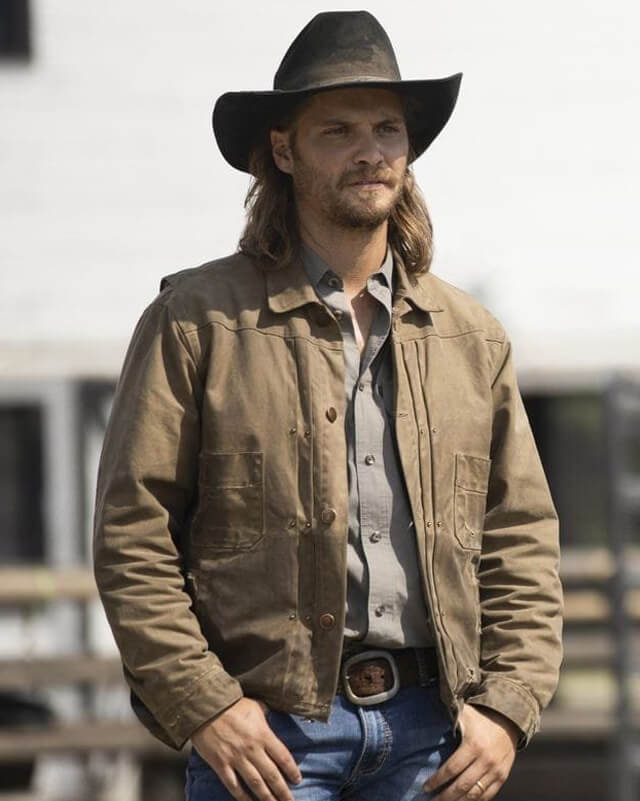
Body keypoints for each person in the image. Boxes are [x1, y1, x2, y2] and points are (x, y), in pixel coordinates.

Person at [93, 10, 563, 801]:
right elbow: (132, 534)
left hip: (435, 740)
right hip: (267, 744)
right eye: (338, 131)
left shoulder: (471, 337)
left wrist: (506, 709)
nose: (370, 151)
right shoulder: (197, 323)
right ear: (283, 150)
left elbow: (519, 536)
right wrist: (205, 705)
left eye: (387, 129)